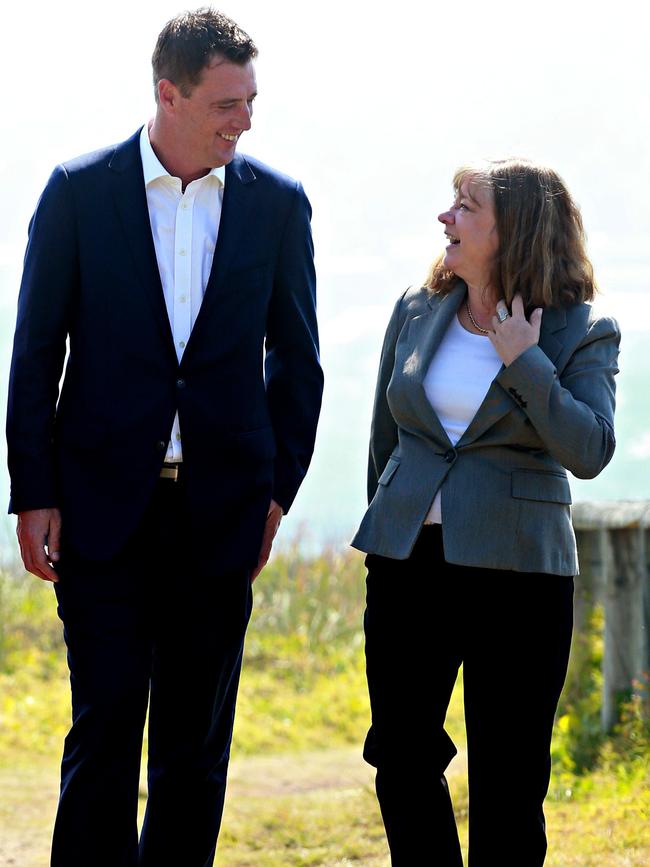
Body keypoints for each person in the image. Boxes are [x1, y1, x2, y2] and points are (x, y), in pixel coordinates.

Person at [6, 8, 323, 866]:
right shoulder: (78, 191)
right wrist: (32, 491)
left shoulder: (279, 206)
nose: (245, 119)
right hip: (101, 513)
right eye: (226, 102)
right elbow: (35, 352)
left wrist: (276, 492)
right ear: (167, 95)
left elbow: (300, 364)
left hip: (221, 518)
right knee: (104, 732)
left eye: (251, 100)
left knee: (193, 753)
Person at [351, 158, 620, 866]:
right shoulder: (416, 308)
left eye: (467, 207)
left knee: (508, 780)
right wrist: (386, 531)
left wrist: (527, 363)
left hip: (521, 575)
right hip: (410, 568)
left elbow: (590, 448)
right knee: (402, 757)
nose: (447, 217)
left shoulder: (580, 330)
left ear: (516, 233)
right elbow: (387, 439)